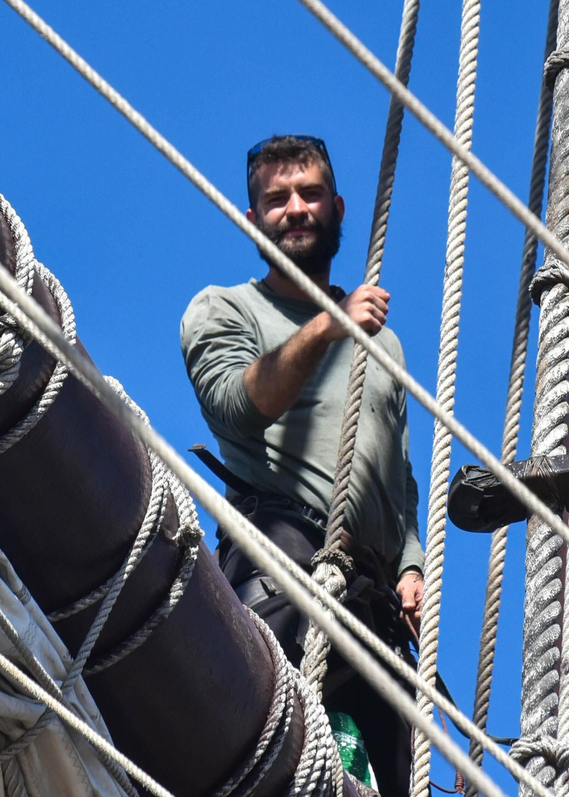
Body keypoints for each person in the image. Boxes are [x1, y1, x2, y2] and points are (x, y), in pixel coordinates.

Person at [180, 134, 422, 797]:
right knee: (255, 757)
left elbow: (398, 476)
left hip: (373, 605)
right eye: (277, 199)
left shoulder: (384, 343)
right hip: (282, 565)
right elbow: (237, 408)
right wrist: (328, 326)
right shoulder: (223, 309)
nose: (295, 209)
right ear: (252, 219)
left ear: (337, 208)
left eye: (310, 194)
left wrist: (411, 566)